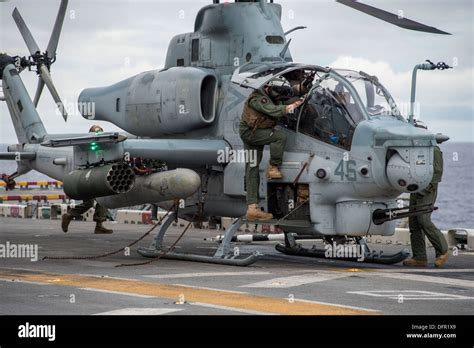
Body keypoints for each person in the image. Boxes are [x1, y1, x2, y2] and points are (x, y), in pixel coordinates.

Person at [239, 80, 305, 221]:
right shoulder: (258, 98)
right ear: (268, 87)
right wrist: (291, 106)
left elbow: (288, 92)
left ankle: (252, 208)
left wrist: (301, 88)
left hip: (257, 131)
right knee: (279, 137)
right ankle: (273, 167)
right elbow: (273, 110)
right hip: (251, 134)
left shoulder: (275, 93)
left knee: (252, 168)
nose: (279, 97)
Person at [403, 121, 448, 267]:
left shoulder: (433, 149)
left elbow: (437, 172)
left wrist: (426, 187)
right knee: (414, 223)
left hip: (427, 190)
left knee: (424, 220)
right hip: (415, 189)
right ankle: (420, 257)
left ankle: (443, 251)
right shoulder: (416, 149)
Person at [61, 125, 113, 234]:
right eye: (95, 133)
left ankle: (99, 225)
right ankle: (69, 216)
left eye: (99, 133)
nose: (97, 136)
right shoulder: (85, 146)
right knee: (88, 203)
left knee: (103, 200)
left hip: (99, 177)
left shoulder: (103, 147)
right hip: (88, 178)